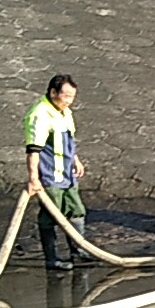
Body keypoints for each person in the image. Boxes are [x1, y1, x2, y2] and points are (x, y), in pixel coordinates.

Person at [24, 74, 88, 271]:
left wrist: (76, 160)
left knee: (76, 210)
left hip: (68, 174)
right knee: (50, 216)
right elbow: (33, 150)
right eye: (66, 96)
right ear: (53, 92)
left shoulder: (65, 112)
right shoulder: (39, 115)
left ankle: (79, 250)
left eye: (72, 97)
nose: (69, 101)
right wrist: (34, 179)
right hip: (50, 177)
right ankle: (51, 259)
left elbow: (69, 140)